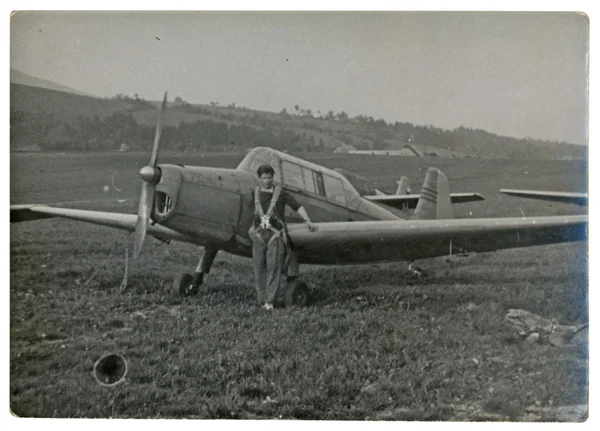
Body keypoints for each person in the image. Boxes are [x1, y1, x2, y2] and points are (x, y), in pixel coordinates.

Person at [249, 164, 315, 310]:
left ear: (273, 177)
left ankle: (269, 302)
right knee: (259, 268)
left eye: (270, 177)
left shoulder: (281, 193)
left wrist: (307, 220)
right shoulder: (255, 193)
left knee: (274, 268)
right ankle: (261, 301)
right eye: (264, 177)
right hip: (259, 235)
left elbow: (297, 206)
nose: (267, 180)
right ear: (259, 178)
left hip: (275, 236)